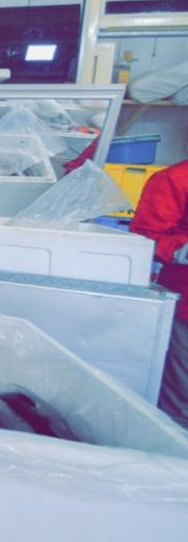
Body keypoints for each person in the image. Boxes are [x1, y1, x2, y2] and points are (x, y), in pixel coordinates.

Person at [130, 158, 188, 429]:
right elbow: (146, 238)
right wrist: (181, 249)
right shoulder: (175, 180)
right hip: (185, 309)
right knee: (182, 402)